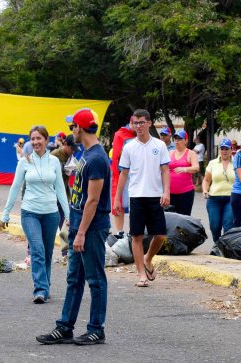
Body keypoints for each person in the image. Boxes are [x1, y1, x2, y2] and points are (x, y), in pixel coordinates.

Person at [36, 108, 110, 346]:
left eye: (72, 127)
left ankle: (96, 329)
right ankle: (65, 327)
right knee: (74, 279)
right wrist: (72, 219)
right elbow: (80, 197)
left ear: (79, 128)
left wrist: (80, 233)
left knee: (95, 279)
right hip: (79, 223)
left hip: (92, 227)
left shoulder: (97, 158)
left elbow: (93, 200)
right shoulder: (87, 154)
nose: (71, 132)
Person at [2, 126, 69, 304]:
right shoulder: (24, 162)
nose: (35, 142)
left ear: (46, 141)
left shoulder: (54, 162)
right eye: (33, 139)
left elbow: (61, 190)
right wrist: (6, 213)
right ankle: (40, 289)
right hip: (30, 212)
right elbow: (15, 187)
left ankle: (45, 285)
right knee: (37, 250)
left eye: (39, 138)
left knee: (47, 253)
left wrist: (69, 216)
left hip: (51, 214)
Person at [114, 109, 170, 287]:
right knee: (136, 236)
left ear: (149, 123)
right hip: (136, 196)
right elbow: (123, 174)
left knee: (160, 235)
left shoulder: (159, 145)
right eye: (135, 123)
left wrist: (166, 192)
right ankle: (141, 275)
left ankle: (148, 258)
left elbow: (165, 170)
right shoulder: (129, 146)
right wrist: (117, 199)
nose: (138, 126)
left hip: (155, 195)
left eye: (141, 122)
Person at [202, 139, 234, 242]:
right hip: (214, 199)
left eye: (226, 149)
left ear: (231, 150)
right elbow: (206, 180)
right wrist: (205, 190)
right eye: (222, 149)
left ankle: (226, 247)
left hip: (231, 198)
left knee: (228, 225)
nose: (224, 151)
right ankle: (217, 245)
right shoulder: (213, 163)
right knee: (214, 226)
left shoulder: (237, 162)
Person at [169, 130, 199, 216]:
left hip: (185, 192)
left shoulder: (191, 153)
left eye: (180, 139)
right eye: (175, 139)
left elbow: (196, 168)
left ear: (186, 140)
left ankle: (183, 230)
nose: (177, 141)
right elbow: (163, 169)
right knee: (170, 217)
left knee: (183, 218)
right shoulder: (170, 153)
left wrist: (184, 169)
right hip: (170, 192)